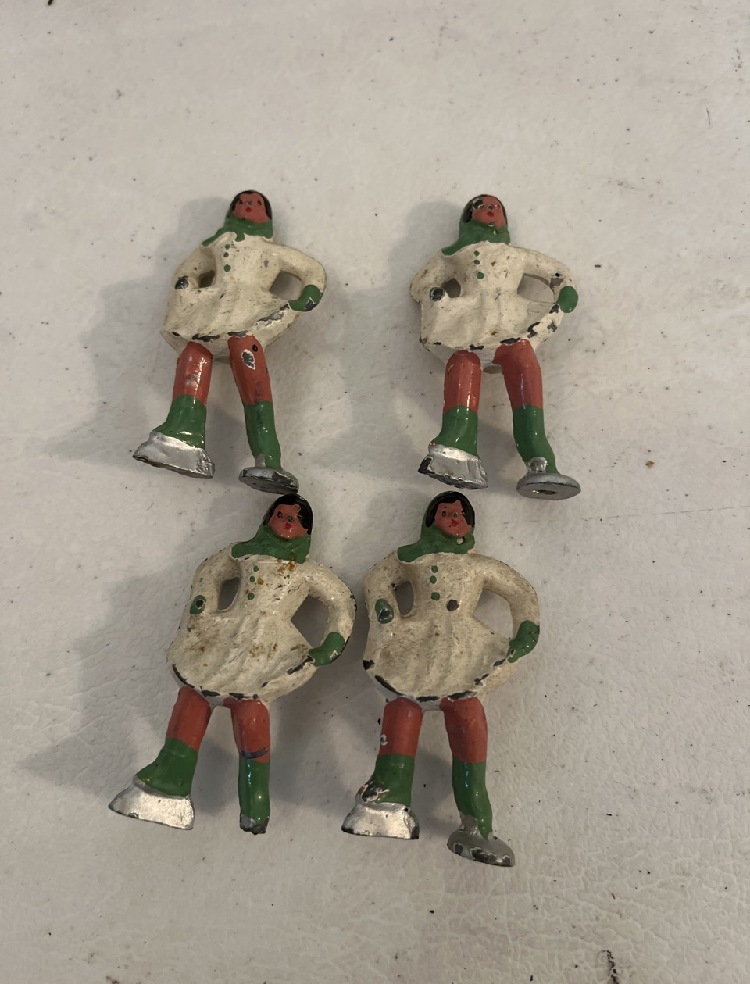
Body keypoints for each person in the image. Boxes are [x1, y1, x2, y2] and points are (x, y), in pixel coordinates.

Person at [110, 495, 355, 833]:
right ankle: (169, 781)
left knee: (250, 711)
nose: (286, 523)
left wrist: (331, 644)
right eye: (280, 515)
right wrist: (200, 612)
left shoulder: (308, 571)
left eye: (295, 520)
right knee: (194, 697)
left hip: (270, 646)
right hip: (225, 635)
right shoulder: (243, 554)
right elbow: (209, 573)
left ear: (306, 530)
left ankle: (255, 799)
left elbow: (341, 603)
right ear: (267, 519)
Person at [342, 492, 540, 866]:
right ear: (430, 519)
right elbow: (378, 578)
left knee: (467, 714)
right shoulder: (410, 556)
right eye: (445, 512)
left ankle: (476, 822)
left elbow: (520, 593)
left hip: (463, 645)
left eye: (459, 513)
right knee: (403, 705)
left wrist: (526, 630)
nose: (452, 518)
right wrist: (385, 611)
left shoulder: (478, 565)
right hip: (416, 642)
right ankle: (387, 799)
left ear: (471, 523)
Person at [134, 191, 326, 494]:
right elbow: (189, 270)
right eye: (242, 203)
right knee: (194, 353)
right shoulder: (216, 244)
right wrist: (185, 287)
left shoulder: (273, 252)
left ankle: (268, 457)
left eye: (255, 204)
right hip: (211, 311)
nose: (248, 207)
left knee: (249, 368)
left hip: (250, 311)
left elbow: (310, 270)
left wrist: (309, 295)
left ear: (267, 217)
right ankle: (183, 433)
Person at [410, 194, 581, 498]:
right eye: (482, 206)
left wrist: (566, 291)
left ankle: (538, 454)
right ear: (468, 217)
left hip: (512, 321)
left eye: (496, 207)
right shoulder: (453, 254)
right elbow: (420, 283)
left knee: (523, 364)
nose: (490, 210)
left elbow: (556, 272)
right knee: (463, 363)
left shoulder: (516, 255)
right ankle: (457, 441)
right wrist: (434, 293)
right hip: (470, 321)